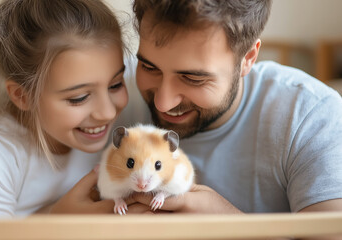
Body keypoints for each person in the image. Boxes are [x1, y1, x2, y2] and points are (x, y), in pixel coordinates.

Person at [124, 0, 342, 214]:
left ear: (248, 58)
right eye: (149, 67)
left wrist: (222, 220)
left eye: (193, 78)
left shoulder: (312, 117)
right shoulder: (111, 96)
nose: (162, 103)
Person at [0, 0, 129, 217]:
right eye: (79, 98)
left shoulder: (120, 133)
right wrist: (58, 220)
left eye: (116, 84)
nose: (108, 112)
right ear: (22, 96)